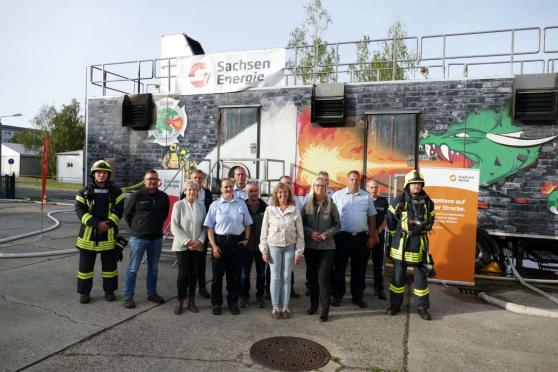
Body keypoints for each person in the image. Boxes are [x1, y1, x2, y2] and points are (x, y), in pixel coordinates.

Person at [386, 170, 435, 320]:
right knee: (398, 278)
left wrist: (425, 226)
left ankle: (422, 308)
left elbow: (432, 219)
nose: (417, 187)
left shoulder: (428, 201)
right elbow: (390, 220)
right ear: (408, 185)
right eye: (414, 184)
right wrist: (396, 236)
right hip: (401, 244)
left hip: (419, 243)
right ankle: (395, 305)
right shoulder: (399, 201)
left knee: (421, 278)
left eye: (419, 184)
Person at [75, 160, 125, 304]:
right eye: (99, 172)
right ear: (93, 174)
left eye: (104, 172)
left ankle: (109, 292)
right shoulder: (83, 192)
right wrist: (97, 224)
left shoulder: (116, 192)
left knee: (110, 268)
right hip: (88, 237)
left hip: (108, 236)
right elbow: (79, 210)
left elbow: (119, 211)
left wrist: (106, 224)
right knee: (85, 269)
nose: (101, 175)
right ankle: (84, 293)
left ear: (108, 174)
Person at [204, 179, 252, 315]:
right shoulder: (215, 205)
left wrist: (246, 239)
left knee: (234, 276)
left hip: (236, 243)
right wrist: (213, 246)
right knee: (217, 276)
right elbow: (209, 228)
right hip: (220, 242)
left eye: (231, 186)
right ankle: (216, 303)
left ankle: (232, 303)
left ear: (233, 188)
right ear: (221, 189)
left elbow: (248, 223)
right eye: (226, 187)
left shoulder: (241, 204)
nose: (228, 189)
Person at [123, 169, 170, 309]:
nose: (153, 181)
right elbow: (127, 214)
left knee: (153, 269)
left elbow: (165, 214)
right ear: (145, 181)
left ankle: (152, 293)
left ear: (158, 181)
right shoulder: (137, 195)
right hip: (139, 239)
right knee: (132, 269)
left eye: (155, 179)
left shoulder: (163, 197)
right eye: (150, 179)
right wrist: (137, 228)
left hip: (156, 239)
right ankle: (128, 296)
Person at [331, 170, 378, 308]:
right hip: (342, 237)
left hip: (360, 238)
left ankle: (357, 297)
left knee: (359, 269)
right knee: (339, 268)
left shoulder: (366, 196)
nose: (354, 182)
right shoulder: (337, 196)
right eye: (352, 179)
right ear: (347, 180)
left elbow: (372, 217)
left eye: (357, 180)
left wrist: (372, 236)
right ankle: (337, 296)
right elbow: (331, 217)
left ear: (360, 181)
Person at [260, 182, 305, 319]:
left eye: (285, 192)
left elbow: (300, 233)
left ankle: (285, 307)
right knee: (275, 277)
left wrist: (299, 252)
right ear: (276, 194)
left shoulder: (294, 210)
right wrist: (264, 251)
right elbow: (264, 232)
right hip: (274, 246)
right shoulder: (270, 210)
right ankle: (275, 308)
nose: (282, 195)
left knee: (286, 277)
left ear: (288, 194)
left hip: (289, 246)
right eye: (280, 192)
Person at [302, 177, 340, 322]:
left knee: (323, 279)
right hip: (311, 247)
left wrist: (326, 235)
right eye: (317, 185)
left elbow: (337, 225)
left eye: (322, 186)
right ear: (313, 187)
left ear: (326, 187)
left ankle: (325, 310)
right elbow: (301, 224)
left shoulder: (331, 205)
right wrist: (310, 233)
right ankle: (313, 305)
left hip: (326, 247)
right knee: (311, 277)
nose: (319, 188)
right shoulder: (307, 205)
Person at [171, 180, 207, 314]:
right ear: (185, 191)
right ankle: (180, 300)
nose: (192, 192)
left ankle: (191, 300)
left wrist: (200, 241)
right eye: (189, 189)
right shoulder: (178, 205)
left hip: (197, 246)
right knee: (183, 274)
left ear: (198, 191)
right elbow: (174, 226)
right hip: (182, 246)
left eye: (194, 189)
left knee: (194, 274)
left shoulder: (202, 206)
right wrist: (187, 241)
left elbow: (205, 226)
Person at [180, 169, 213, 299]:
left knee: (201, 262)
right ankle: (187, 289)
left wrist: (202, 238)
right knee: (187, 264)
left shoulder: (207, 193)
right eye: (195, 177)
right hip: (187, 236)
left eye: (200, 178)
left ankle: (202, 287)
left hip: (201, 235)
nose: (197, 180)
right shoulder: (184, 194)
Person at [240, 181, 268, 308]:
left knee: (261, 274)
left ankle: (259, 296)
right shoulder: (241, 206)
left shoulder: (266, 207)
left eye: (256, 190)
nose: (254, 193)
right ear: (246, 192)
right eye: (251, 191)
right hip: (246, 248)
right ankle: (244, 296)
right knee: (244, 274)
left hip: (261, 248)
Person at [366, 179, 389, 300]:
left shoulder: (383, 201)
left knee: (378, 263)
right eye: (371, 187)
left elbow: (386, 218)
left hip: (378, 236)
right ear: (367, 188)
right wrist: (370, 233)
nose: (373, 190)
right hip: (365, 236)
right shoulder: (363, 200)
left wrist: (378, 231)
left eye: (375, 188)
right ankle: (360, 289)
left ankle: (379, 289)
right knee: (361, 264)